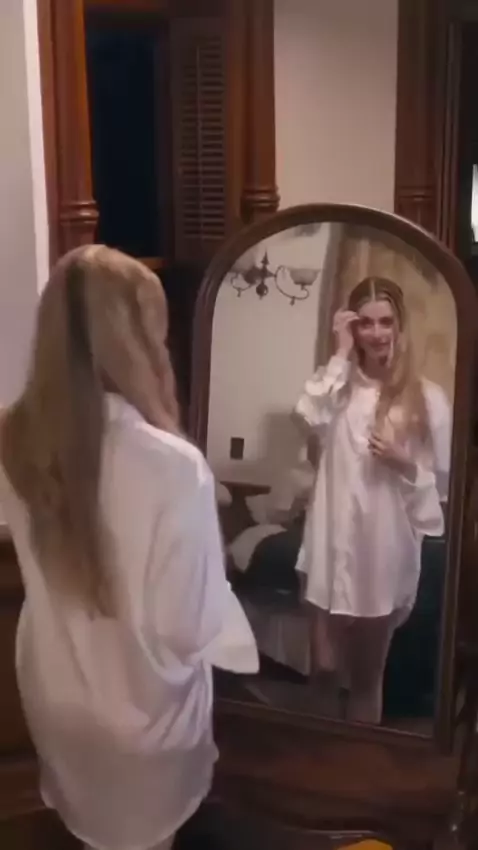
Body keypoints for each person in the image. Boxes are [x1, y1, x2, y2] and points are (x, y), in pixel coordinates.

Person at [0, 245, 258, 850]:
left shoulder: (12, 439)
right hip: (144, 714)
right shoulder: (173, 466)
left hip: (55, 694)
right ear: (137, 341)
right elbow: (187, 625)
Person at [294, 276, 451, 725]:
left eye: (386, 322)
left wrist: (405, 463)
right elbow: (306, 418)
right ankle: (318, 757)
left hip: (382, 554)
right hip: (327, 549)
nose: (377, 333)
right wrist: (339, 353)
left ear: (399, 326)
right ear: (353, 327)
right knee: (323, 669)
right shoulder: (336, 388)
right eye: (365, 323)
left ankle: (356, 762)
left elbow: (440, 490)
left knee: (366, 679)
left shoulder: (428, 399)